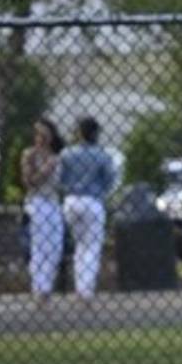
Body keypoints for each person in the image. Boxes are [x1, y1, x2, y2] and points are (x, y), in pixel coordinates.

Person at [59, 116, 115, 299]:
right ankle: (85, 290)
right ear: (96, 133)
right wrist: (101, 192)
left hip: (71, 200)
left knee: (79, 245)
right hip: (93, 201)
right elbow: (110, 180)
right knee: (91, 246)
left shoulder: (67, 153)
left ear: (79, 132)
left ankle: (79, 287)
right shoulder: (102, 154)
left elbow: (60, 179)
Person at [21, 118, 65, 303]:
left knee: (55, 246)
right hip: (37, 202)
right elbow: (28, 182)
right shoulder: (30, 154)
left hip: (54, 202)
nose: (40, 138)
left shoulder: (57, 155)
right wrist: (46, 169)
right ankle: (40, 289)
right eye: (37, 134)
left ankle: (46, 286)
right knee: (40, 246)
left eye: (43, 134)